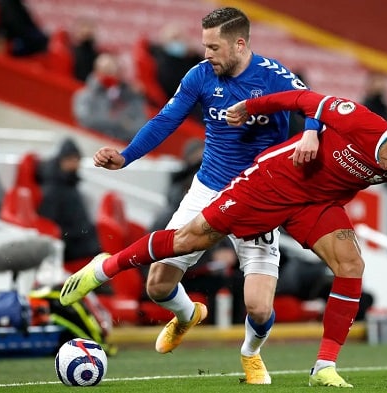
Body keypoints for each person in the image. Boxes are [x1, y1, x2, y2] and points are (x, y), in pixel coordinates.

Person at [61, 89, 387, 387]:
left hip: (316, 206)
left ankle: (324, 367)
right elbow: (305, 99)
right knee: (190, 238)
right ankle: (104, 266)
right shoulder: (362, 121)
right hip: (273, 182)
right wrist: (260, 112)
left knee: (351, 266)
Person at [67, 7, 317, 385]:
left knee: (259, 307)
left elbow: (316, 105)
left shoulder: (272, 76)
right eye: (204, 46)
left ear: (239, 44)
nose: (206, 54)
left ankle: (250, 353)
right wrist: (126, 156)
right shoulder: (200, 76)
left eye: (213, 47)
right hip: (208, 189)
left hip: (258, 197)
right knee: (157, 286)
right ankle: (187, 315)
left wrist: (311, 133)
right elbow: (165, 121)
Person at [37, 138, 102, 266]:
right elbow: (50, 224)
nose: (75, 163)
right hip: (71, 246)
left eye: (77, 159)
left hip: (82, 239)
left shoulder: (70, 183)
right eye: (71, 159)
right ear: (62, 160)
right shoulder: (53, 190)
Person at [72, 53, 148, 142]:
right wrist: (121, 123)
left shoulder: (131, 97)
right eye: (105, 70)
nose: (108, 75)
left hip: (118, 149)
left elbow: (140, 129)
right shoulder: (83, 96)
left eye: (111, 71)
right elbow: (87, 120)